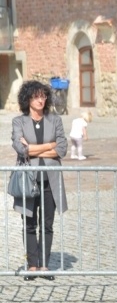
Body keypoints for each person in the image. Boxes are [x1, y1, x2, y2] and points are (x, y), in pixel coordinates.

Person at [11, 80, 68, 281]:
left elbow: (62, 149)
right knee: (29, 224)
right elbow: (21, 149)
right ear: (27, 99)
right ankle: (32, 266)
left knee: (47, 224)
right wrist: (49, 145)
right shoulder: (19, 122)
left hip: (50, 180)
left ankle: (44, 265)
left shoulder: (55, 120)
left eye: (43, 96)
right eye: (36, 96)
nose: (40, 100)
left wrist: (34, 149)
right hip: (28, 180)